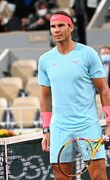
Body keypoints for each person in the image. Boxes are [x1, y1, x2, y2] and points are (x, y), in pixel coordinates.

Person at [38, 11, 110, 180]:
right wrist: (46, 130)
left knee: (99, 176)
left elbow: (104, 90)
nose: (56, 30)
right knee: (61, 177)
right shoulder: (45, 60)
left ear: (71, 27)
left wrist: (109, 122)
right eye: (53, 26)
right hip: (59, 128)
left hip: (88, 126)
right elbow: (45, 96)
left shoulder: (88, 54)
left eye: (61, 25)